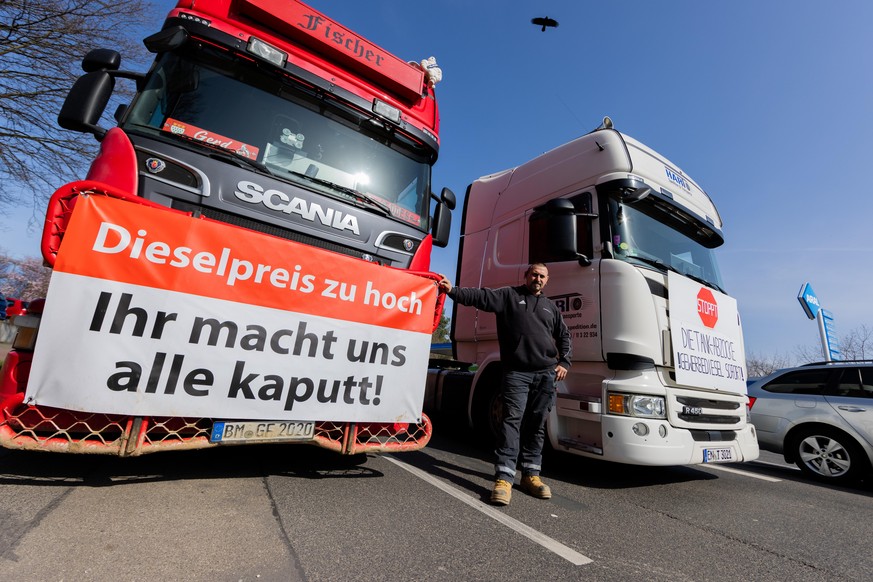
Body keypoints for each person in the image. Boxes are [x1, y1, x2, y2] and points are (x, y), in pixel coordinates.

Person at [438, 263, 571, 506]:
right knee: (512, 422)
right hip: (517, 373)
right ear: (526, 276)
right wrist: (453, 291)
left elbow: (564, 336)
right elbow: (481, 297)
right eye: (534, 274)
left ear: (547, 280)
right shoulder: (509, 296)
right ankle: (504, 479)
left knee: (537, 424)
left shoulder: (551, 308)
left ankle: (531, 475)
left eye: (542, 276)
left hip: (545, 374)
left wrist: (565, 362)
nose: (537, 279)